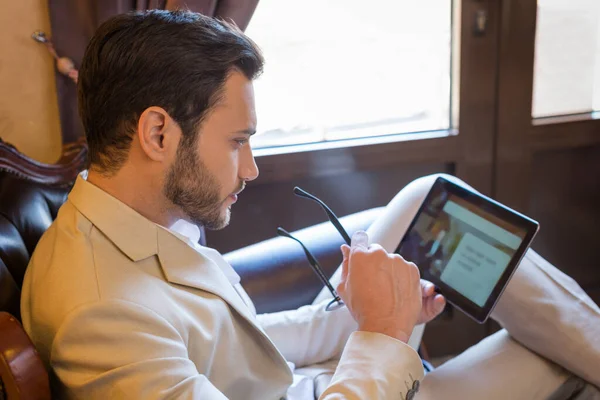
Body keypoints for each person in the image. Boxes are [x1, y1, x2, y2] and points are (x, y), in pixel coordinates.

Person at [20, 10, 600, 400]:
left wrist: (356, 313)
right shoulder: (100, 316)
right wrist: (383, 333)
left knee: (428, 197)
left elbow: (235, 340)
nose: (251, 169)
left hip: (311, 380)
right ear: (158, 134)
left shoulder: (129, 216)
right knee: (559, 357)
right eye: (236, 141)